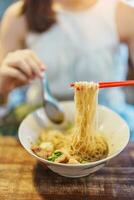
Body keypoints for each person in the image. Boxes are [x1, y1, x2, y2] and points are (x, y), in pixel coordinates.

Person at [0, 0, 134, 136]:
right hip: (43, 118)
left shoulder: (124, 13)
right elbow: (3, 97)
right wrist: (3, 87)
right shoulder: (19, 14)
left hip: (109, 122)